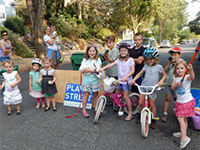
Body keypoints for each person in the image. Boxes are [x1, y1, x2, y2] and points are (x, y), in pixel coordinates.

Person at [131, 48, 167, 128]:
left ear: (155, 59)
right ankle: (139, 115)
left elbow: (164, 75)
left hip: (152, 88)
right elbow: (139, 74)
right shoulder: (145, 66)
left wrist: (161, 81)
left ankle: (153, 120)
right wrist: (134, 80)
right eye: (147, 59)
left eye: (151, 59)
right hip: (143, 87)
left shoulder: (159, 67)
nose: (149, 61)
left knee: (152, 104)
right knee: (140, 103)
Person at [100, 42, 135, 121]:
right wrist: (102, 69)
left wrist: (125, 77)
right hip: (119, 81)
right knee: (116, 95)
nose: (123, 52)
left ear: (128, 52)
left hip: (126, 81)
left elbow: (132, 71)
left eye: (124, 51)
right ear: (119, 51)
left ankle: (130, 113)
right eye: (121, 50)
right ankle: (120, 106)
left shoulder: (130, 60)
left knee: (126, 96)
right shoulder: (119, 60)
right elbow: (111, 64)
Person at [171, 60, 195, 149]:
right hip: (179, 102)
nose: (179, 70)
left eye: (182, 68)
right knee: (183, 118)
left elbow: (192, 77)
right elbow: (172, 88)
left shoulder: (187, 77)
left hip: (187, 101)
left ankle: (184, 138)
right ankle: (183, 132)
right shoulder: (175, 77)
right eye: (177, 68)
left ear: (185, 69)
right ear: (175, 70)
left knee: (180, 118)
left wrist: (191, 69)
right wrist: (177, 84)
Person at [161, 47, 183, 122]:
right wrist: (170, 63)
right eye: (172, 55)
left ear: (180, 55)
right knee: (167, 98)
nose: (174, 56)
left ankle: (177, 111)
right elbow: (164, 71)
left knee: (177, 99)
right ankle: (165, 113)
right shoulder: (171, 63)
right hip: (168, 83)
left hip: (177, 84)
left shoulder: (181, 62)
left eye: (175, 54)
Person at [79, 45, 102, 118]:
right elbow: (82, 70)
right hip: (86, 81)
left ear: (96, 52)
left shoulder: (98, 60)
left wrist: (89, 70)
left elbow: (98, 71)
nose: (92, 53)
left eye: (93, 51)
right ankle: (84, 110)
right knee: (85, 95)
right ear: (87, 52)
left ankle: (97, 109)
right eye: (90, 51)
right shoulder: (85, 60)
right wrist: (89, 70)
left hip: (95, 80)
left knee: (96, 95)